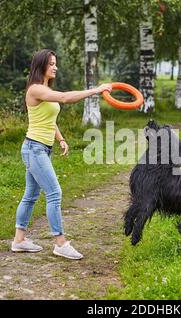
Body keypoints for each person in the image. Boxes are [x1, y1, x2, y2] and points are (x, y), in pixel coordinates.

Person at [12, 49, 111, 259]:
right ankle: (60, 243)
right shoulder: (35, 89)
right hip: (34, 149)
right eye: (52, 64)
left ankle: (19, 241)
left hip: (41, 148)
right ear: (41, 67)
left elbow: (49, 119)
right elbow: (66, 98)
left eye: (56, 63)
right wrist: (97, 90)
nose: (55, 67)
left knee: (30, 195)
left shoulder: (44, 89)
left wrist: (61, 139)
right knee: (54, 193)